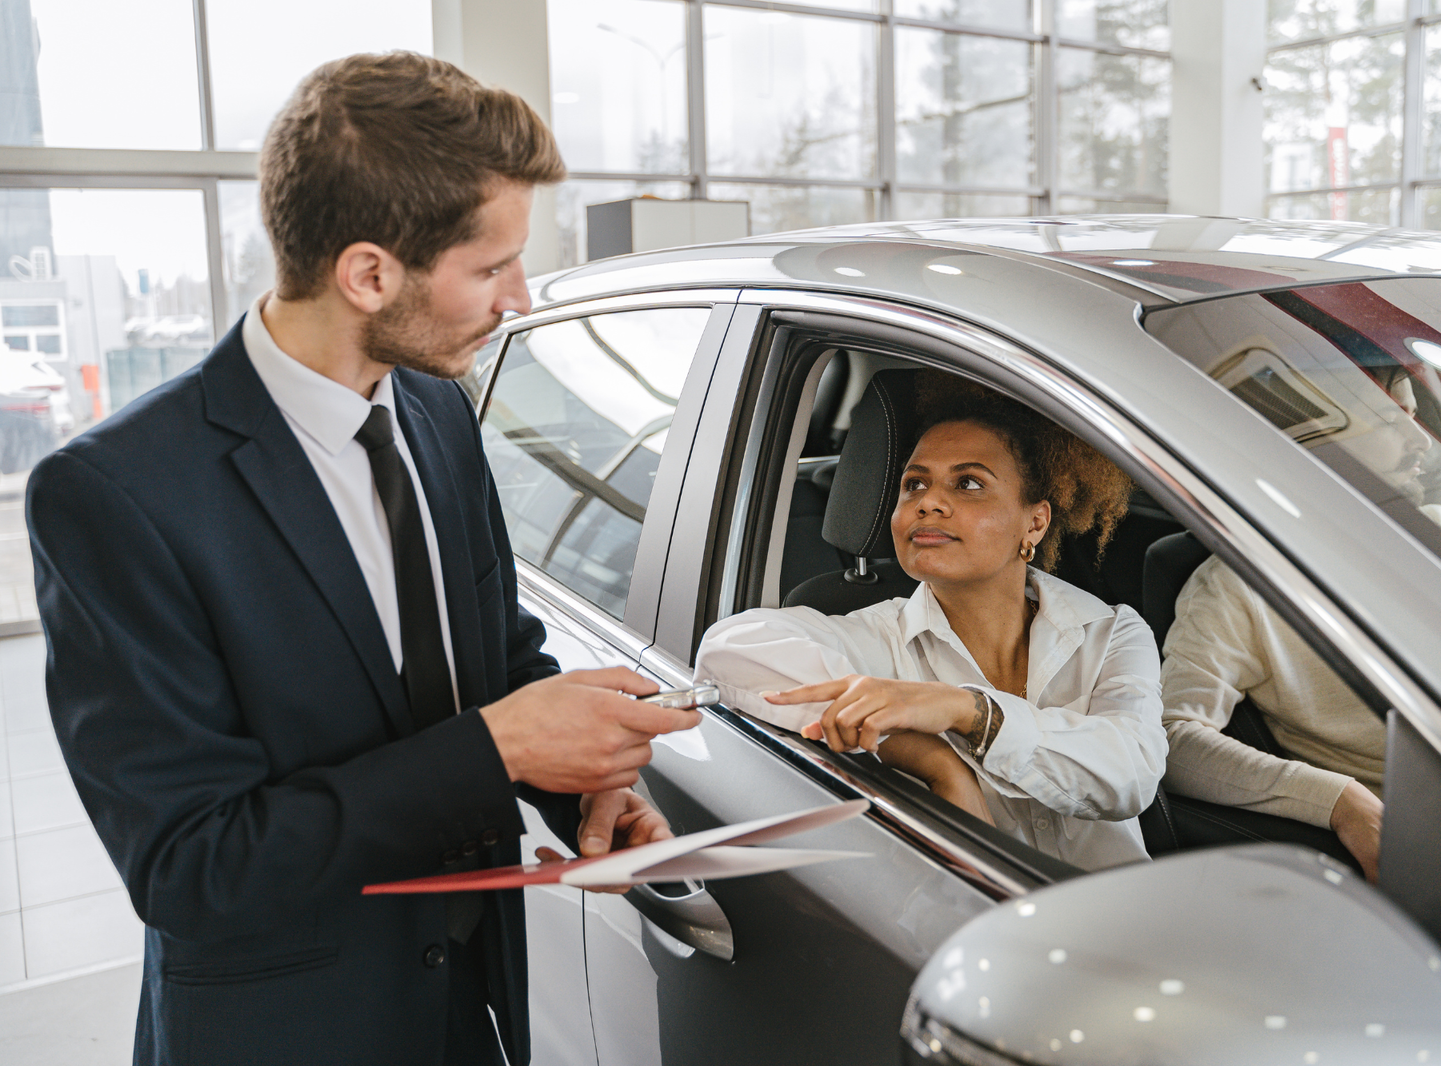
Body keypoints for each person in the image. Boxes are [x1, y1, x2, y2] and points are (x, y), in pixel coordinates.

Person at [25, 53, 698, 1066]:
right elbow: (191, 866)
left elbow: (496, 659)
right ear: (369, 273)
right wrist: (500, 752)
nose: (518, 298)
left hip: (471, 1005)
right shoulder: (117, 495)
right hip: (289, 1033)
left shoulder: (436, 411)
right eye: (490, 266)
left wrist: (579, 784)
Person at [696, 377, 1166, 872]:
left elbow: (1131, 774)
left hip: (1126, 921)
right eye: (914, 484)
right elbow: (725, 652)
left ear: (1035, 522)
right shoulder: (874, 640)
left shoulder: (1111, 631)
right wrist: (933, 760)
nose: (928, 502)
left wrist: (970, 713)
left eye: (968, 483)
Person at [1161, 363, 1441, 883]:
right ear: (1319, 439)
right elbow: (1172, 739)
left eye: (1414, 416)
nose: (1423, 444)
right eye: (1392, 422)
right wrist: (1339, 801)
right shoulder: (1233, 588)